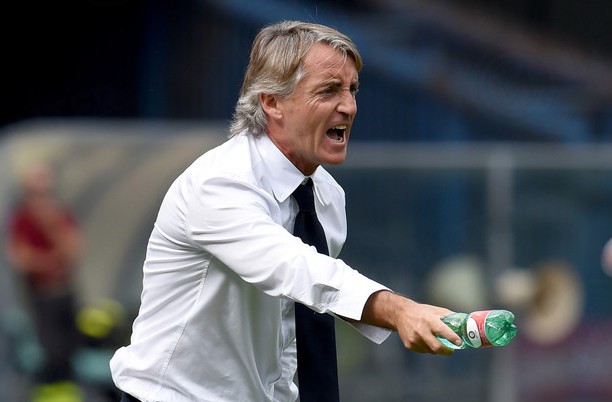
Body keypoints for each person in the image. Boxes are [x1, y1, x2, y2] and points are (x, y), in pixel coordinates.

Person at [110, 20, 462, 402]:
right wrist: (399, 310)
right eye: (329, 90)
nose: (349, 106)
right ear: (272, 102)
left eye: (352, 89)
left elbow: (293, 326)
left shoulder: (327, 195)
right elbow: (297, 269)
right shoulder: (218, 183)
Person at [6, 163, 83, 386]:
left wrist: (50, 222)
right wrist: (51, 261)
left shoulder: (60, 215)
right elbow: (20, 258)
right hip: (41, 295)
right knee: (50, 351)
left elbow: (74, 248)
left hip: (65, 291)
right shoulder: (22, 218)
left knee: (71, 348)